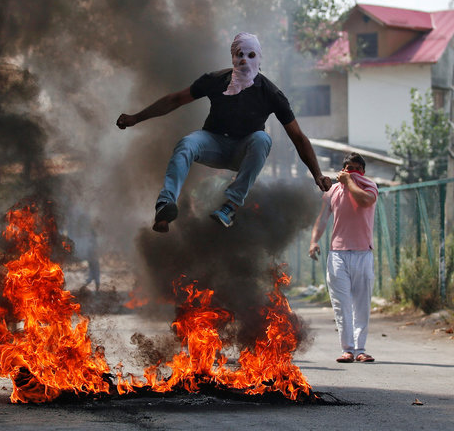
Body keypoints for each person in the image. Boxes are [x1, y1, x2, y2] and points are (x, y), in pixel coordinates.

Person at [116, 32, 331, 232]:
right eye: (239, 55)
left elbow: (298, 137)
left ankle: (230, 207)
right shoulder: (215, 80)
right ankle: (165, 204)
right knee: (186, 144)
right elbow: (175, 100)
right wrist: (136, 117)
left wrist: (317, 174)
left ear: (259, 59)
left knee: (262, 138)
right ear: (233, 58)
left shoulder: (271, 93)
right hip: (213, 143)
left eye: (251, 55)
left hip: (243, 151)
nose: (244, 60)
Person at [309, 152, 378, 363]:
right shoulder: (333, 191)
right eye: (349, 169)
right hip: (337, 254)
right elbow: (322, 219)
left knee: (361, 304)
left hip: (363, 254)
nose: (353, 172)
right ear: (343, 170)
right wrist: (314, 241)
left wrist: (350, 182)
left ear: (363, 172)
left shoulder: (370, 187)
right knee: (341, 304)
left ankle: (361, 349)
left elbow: (364, 202)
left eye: (357, 169)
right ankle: (348, 349)